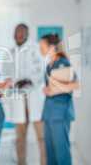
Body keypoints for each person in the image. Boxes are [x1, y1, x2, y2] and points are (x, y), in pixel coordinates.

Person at [4, 24, 46, 165]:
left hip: (34, 98)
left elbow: (41, 70)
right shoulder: (10, 52)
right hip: (18, 98)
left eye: (22, 32)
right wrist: (15, 82)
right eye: (16, 32)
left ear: (27, 34)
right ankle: (21, 163)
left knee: (41, 137)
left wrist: (29, 80)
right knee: (20, 138)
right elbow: (7, 74)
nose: (19, 35)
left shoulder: (35, 49)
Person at [39, 34, 79, 165]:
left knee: (61, 152)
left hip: (60, 114)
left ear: (51, 47)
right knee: (50, 152)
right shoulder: (49, 65)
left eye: (42, 46)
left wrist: (54, 89)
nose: (40, 49)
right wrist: (48, 90)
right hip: (49, 114)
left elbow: (75, 84)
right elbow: (52, 87)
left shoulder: (63, 62)